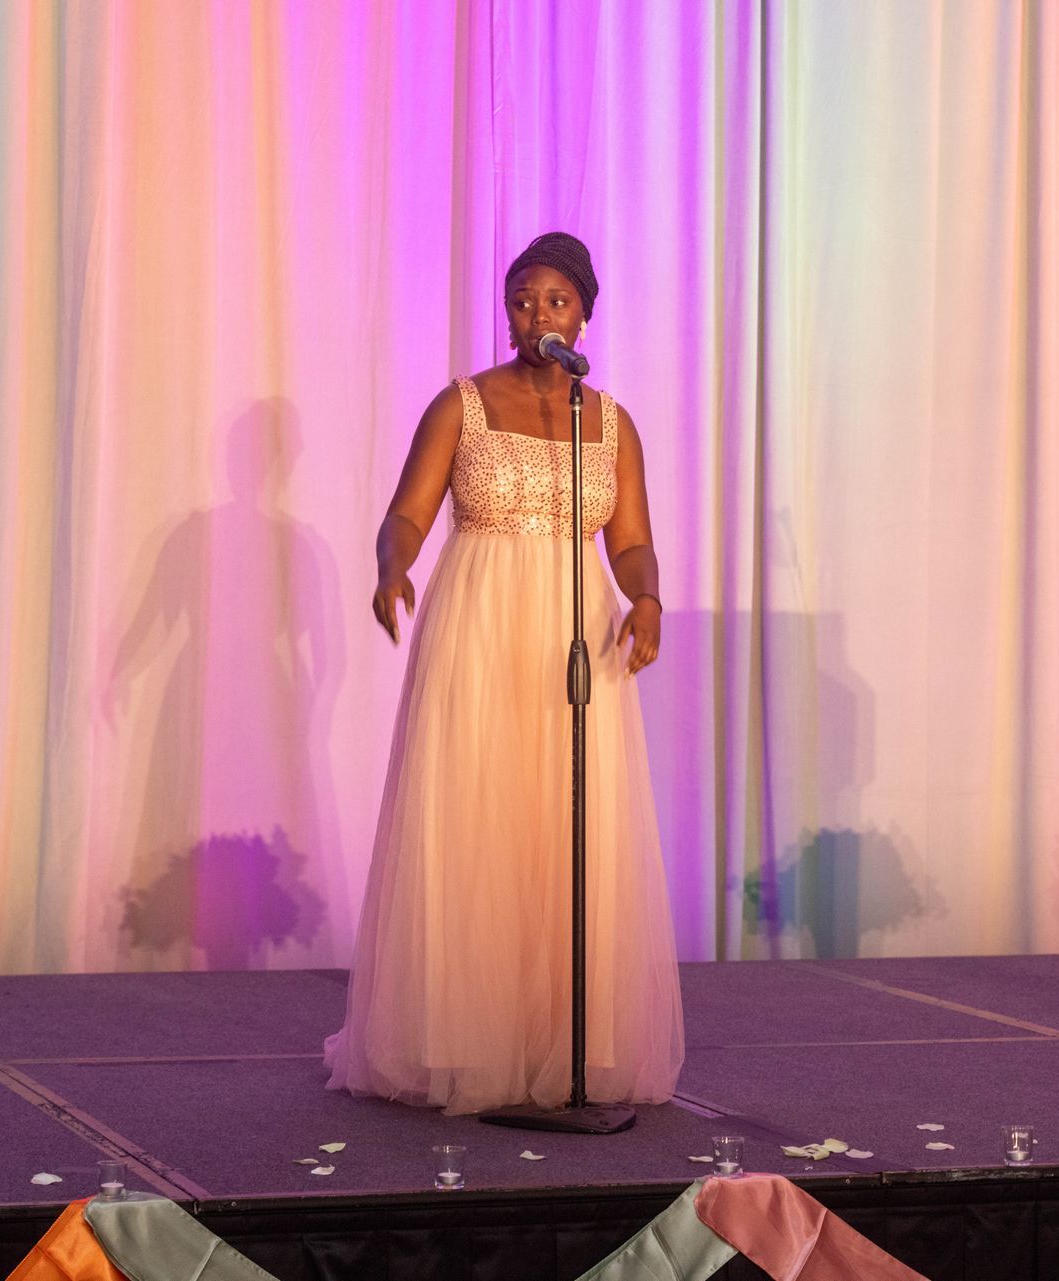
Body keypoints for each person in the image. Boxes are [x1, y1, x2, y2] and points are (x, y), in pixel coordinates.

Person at [323, 232, 685, 1115]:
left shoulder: (609, 422)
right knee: (478, 824)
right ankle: (466, 1039)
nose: (536, 315)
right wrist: (392, 567)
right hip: (478, 629)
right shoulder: (464, 404)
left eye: (555, 300)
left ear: (584, 314)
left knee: (565, 827)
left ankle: (560, 1041)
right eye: (522, 300)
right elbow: (407, 515)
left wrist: (646, 599)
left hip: (576, 637)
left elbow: (630, 541)